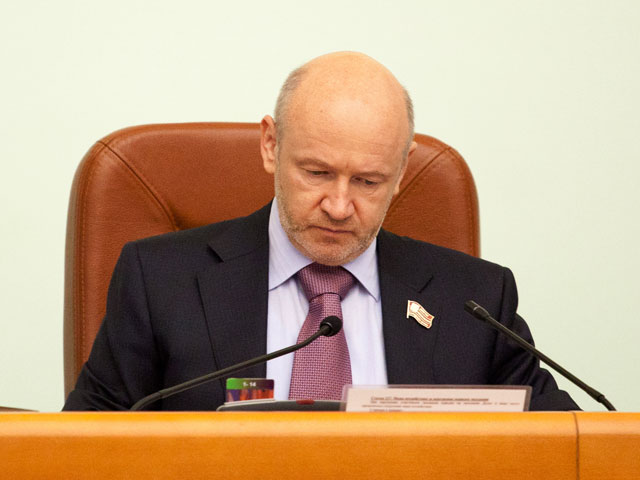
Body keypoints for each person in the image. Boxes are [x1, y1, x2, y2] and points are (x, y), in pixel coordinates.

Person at [63, 52, 579, 411]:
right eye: (316, 173)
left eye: (368, 181)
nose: (338, 206)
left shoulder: (476, 300)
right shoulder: (160, 282)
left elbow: (562, 442)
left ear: (401, 172)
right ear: (271, 145)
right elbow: (85, 444)